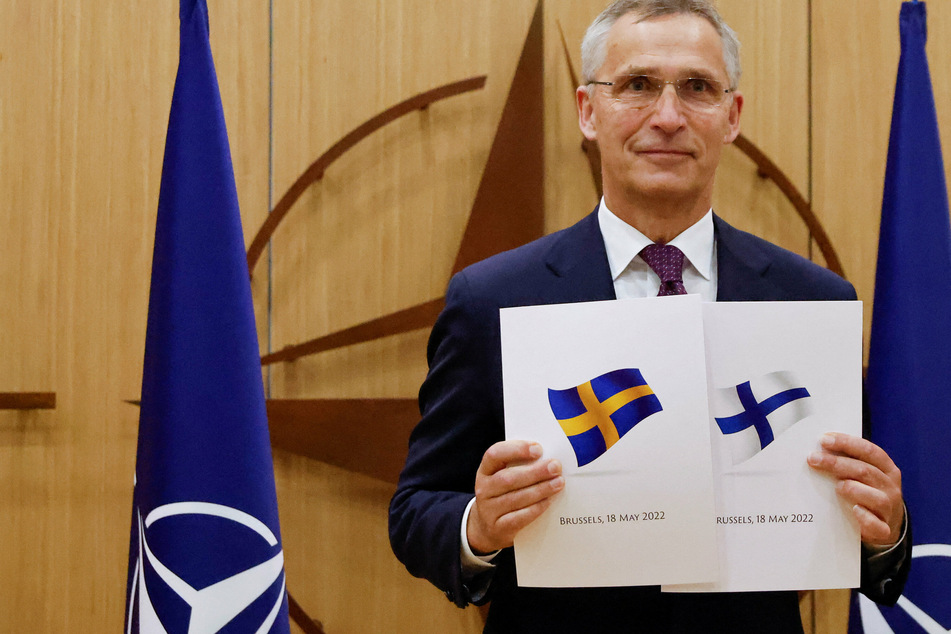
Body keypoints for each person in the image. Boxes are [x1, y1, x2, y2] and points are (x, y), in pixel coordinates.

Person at [389, 1, 910, 631]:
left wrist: (887, 529)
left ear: (732, 115)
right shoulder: (492, 299)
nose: (667, 117)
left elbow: (868, 534)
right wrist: (479, 525)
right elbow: (417, 509)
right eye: (637, 85)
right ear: (588, 110)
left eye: (697, 88)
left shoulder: (812, 302)